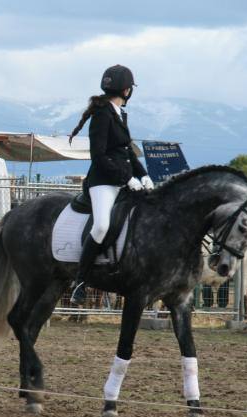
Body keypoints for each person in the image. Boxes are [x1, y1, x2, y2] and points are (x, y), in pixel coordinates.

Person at [68, 65, 153, 305]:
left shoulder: (119, 113)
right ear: (127, 90)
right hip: (103, 182)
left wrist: (144, 175)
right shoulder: (102, 113)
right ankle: (81, 281)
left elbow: (127, 151)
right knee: (102, 225)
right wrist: (126, 178)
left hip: (125, 180)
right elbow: (99, 155)